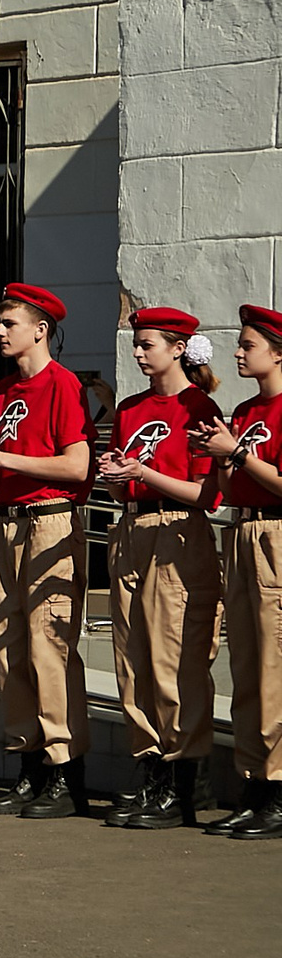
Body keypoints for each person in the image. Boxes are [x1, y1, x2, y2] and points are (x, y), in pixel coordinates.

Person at [0, 282, 94, 820]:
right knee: (8, 646)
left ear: (40, 330)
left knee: (48, 646)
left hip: (51, 523)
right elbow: (14, 460)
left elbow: (77, 467)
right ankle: (29, 764)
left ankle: (64, 772)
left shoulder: (63, 385)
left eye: (9, 323)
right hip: (8, 524)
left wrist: (4, 462)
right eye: (0, 322)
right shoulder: (7, 391)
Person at [93, 307, 221, 829]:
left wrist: (144, 470)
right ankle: (152, 776)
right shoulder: (128, 409)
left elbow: (206, 494)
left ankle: (186, 780)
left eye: (148, 344)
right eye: (136, 344)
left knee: (176, 660)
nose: (139, 353)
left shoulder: (199, 408)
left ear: (177, 349)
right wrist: (116, 477)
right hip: (131, 529)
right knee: (133, 658)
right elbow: (125, 484)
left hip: (178, 530)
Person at [197, 304, 282, 839]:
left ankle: (277, 789)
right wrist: (222, 459)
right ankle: (254, 786)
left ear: (278, 352)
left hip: (277, 534)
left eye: (248, 345)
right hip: (243, 532)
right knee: (247, 666)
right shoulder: (247, 412)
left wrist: (240, 456)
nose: (237, 352)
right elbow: (230, 490)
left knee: (275, 665)